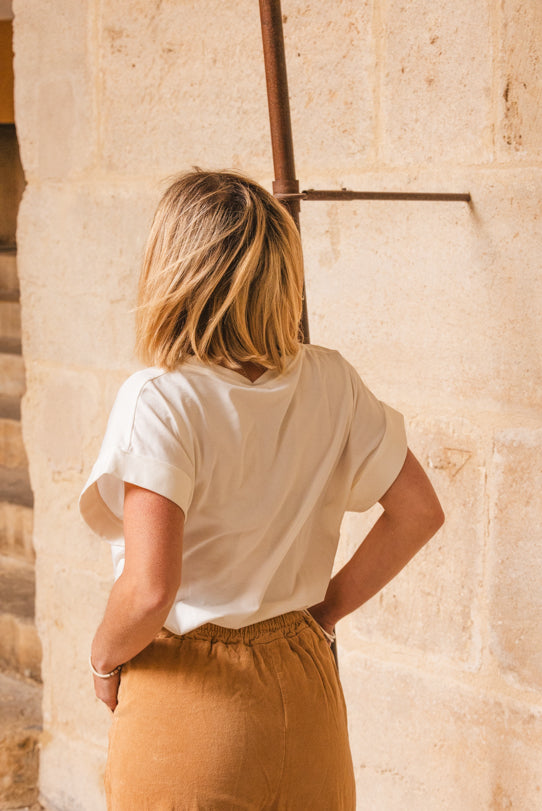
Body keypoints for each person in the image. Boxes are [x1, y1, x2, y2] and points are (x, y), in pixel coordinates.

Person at [79, 169, 444, 811]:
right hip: (304, 689)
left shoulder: (161, 399)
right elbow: (418, 512)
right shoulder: (333, 379)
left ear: (174, 271)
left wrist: (104, 661)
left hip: (191, 698)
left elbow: (149, 590)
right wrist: (322, 615)